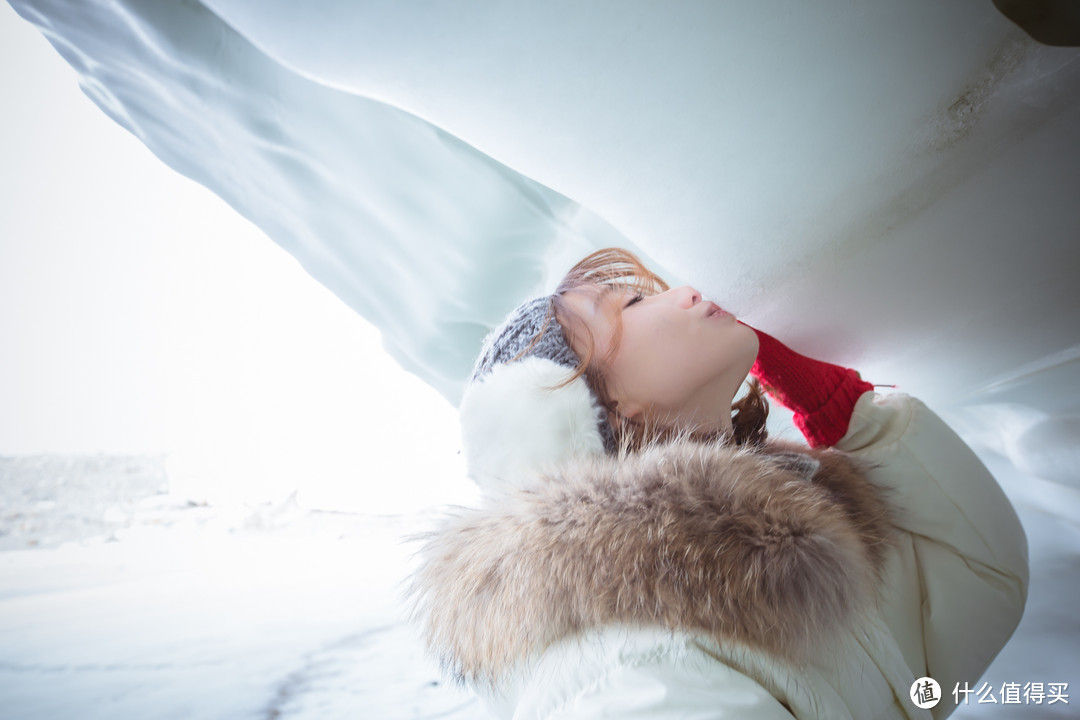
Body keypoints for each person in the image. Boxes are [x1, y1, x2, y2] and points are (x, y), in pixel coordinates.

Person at [409, 248, 1028, 720]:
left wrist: (843, 410)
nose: (683, 291)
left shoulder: (774, 545)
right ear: (603, 410)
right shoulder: (628, 672)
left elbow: (970, 597)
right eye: (628, 306)